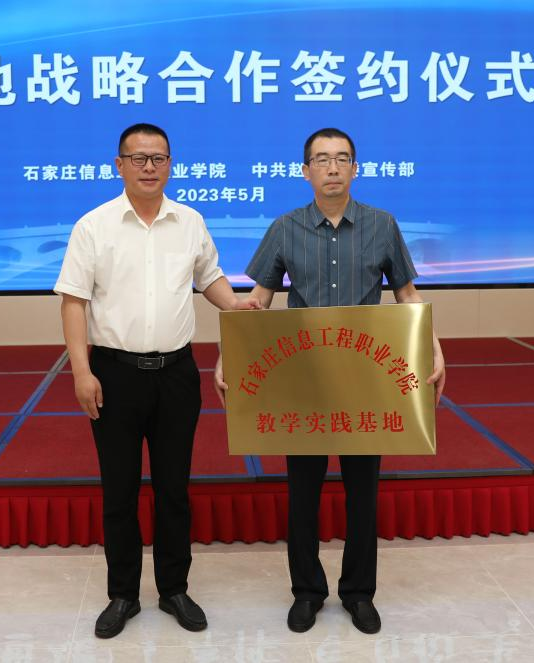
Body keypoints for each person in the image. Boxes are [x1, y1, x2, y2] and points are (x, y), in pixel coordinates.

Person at [215, 127, 446, 635]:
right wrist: (227, 354)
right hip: (304, 381)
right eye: (322, 159)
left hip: (367, 381)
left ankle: (359, 593)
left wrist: (434, 346)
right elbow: (258, 303)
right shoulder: (285, 227)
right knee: (303, 494)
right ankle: (307, 592)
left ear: (355, 168)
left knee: (364, 494)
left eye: (342, 158)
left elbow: (407, 296)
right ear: (306, 171)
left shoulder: (382, 225)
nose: (333, 167)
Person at [56, 123, 258, 639]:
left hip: (176, 375)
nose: (149, 167)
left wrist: (237, 306)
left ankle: (173, 589)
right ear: (119, 165)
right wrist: (81, 371)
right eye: (138, 158)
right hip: (114, 375)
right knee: (119, 491)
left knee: (174, 489)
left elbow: (210, 278)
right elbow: (74, 302)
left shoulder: (189, 221)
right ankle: (122, 594)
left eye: (159, 158)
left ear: (171, 164)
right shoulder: (93, 226)